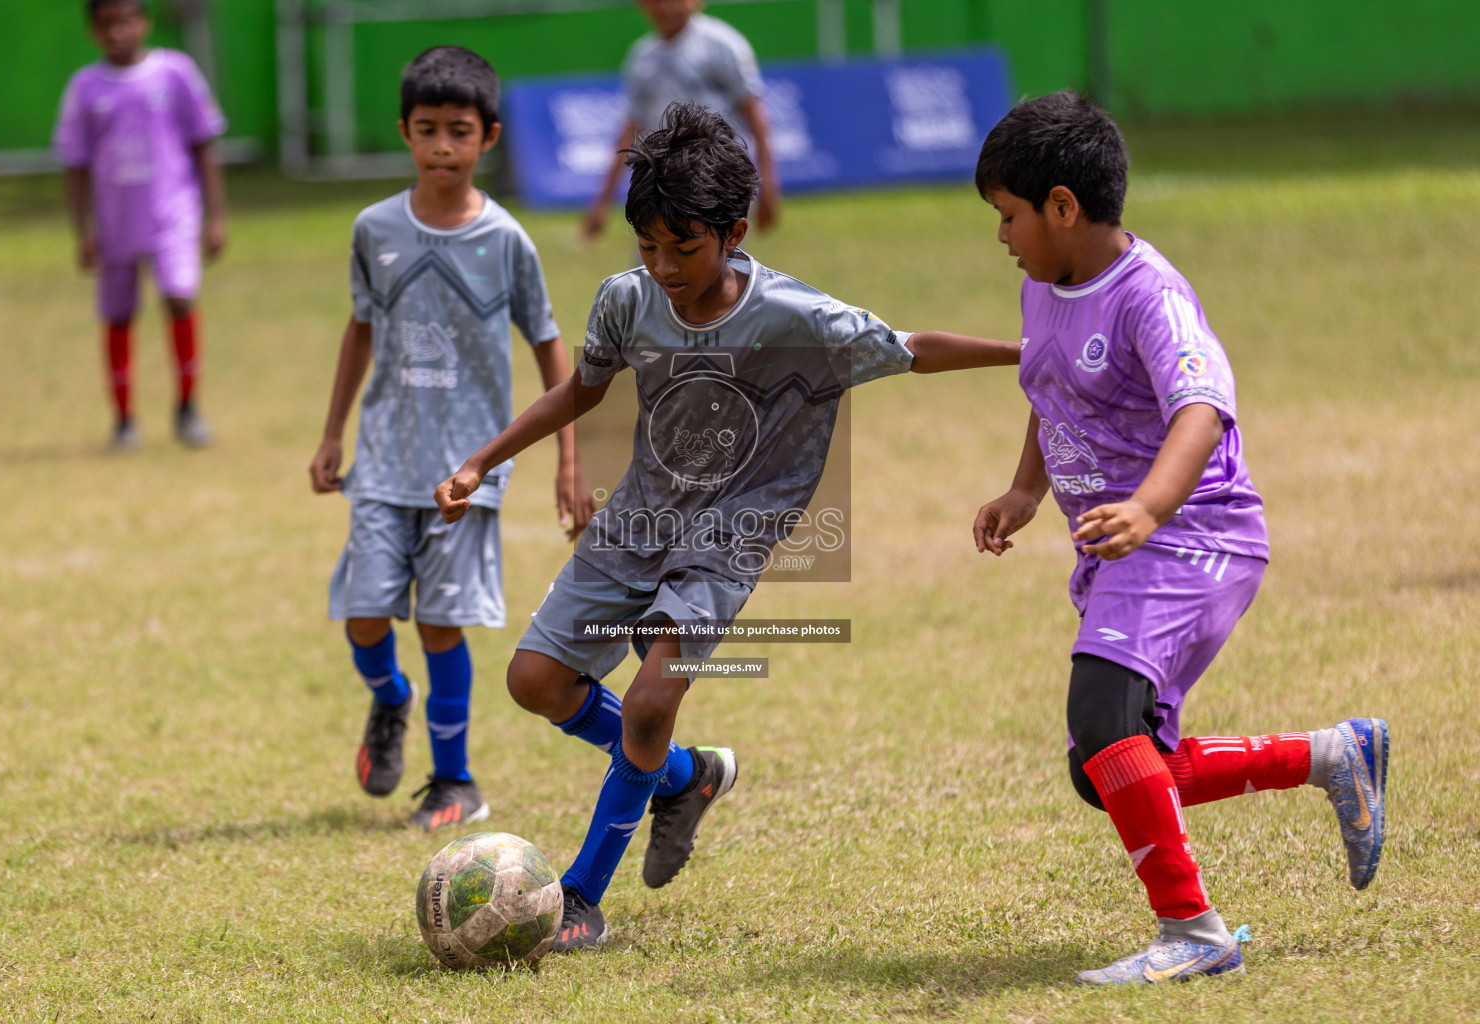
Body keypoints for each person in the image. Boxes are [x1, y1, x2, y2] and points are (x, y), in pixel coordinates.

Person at [436, 101, 1021, 951]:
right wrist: (483, 459)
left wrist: (1021, 354)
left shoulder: (796, 318)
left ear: (734, 231)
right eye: (649, 247)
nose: (666, 266)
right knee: (534, 682)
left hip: (728, 534)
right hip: (638, 520)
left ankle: (582, 898)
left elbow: (910, 347)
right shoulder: (626, 302)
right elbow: (582, 391)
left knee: (647, 701)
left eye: (686, 247)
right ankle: (685, 776)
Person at [969, 91, 1389, 985]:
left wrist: (1151, 509)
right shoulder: (1044, 289)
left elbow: (1200, 411)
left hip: (1194, 534)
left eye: (1008, 216)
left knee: (1099, 722)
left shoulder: (1149, 295)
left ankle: (1194, 932)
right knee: (1110, 767)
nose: (1001, 236)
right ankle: (1333, 755)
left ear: (1062, 207)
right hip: (1128, 546)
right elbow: (1052, 395)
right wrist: (1023, 489)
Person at [308, 47, 593, 831]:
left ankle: (455, 783)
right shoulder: (374, 230)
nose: (441, 147)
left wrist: (569, 463)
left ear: (488, 138)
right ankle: (391, 698)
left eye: (458, 132)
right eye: (427, 130)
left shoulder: (506, 241)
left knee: (439, 622)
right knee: (365, 615)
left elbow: (550, 345)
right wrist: (332, 434)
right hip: (383, 461)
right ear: (403, 132)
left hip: (467, 471)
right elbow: (360, 330)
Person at [54, 0, 228, 451]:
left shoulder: (176, 73)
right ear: (93, 30)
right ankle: (124, 418)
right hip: (115, 222)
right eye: (107, 24)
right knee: (118, 316)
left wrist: (217, 217)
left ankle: (188, 407)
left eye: (127, 21)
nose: (118, 32)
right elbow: (75, 164)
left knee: (179, 297)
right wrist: (83, 231)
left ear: (145, 23)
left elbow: (204, 146)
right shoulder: (85, 87)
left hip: (173, 215)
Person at [581, 0, 780, 243]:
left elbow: (754, 113)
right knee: (657, 267)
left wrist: (768, 183)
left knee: (712, 266)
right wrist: (602, 201)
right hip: (660, 185)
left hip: (714, 180)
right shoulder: (641, 57)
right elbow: (630, 130)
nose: (666, 8)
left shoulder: (722, 44)